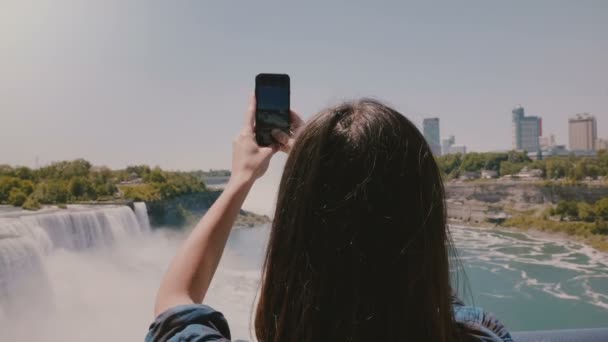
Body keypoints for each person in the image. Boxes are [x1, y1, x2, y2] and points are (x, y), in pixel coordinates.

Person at [145, 97, 513, 342]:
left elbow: (176, 300)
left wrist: (242, 179)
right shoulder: (484, 332)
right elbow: (405, 273)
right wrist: (328, 163)